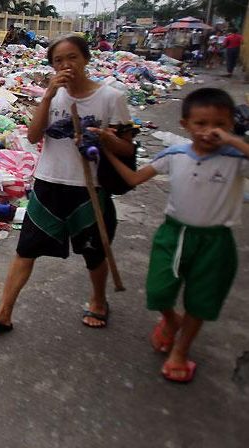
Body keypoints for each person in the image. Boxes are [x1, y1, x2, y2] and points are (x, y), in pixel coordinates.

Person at [0, 35, 135, 333]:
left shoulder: (111, 98)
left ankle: (99, 301)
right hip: (48, 184)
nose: (66, 65)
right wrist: (47, 96)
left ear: (86, 59)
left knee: (94, 252)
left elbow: (128, 148)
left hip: (90, 188)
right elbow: (33, 137)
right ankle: (4, 312)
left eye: (72, 57)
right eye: (58, 60)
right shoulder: (54, 97)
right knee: (26, 250)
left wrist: (103, 137)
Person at [103, 88, 249, 382]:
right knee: (158, 292)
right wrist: (107, 151)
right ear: (185, 125)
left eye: (220, 125)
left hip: (215, 241)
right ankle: (171, 320)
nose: (210, 132)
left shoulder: (236, 159)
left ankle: (180, 351)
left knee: (201, 300)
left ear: (231, 125)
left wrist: (234, 141)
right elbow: (133, 179)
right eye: (201, 124)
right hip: (174, 234)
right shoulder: (175, 154)